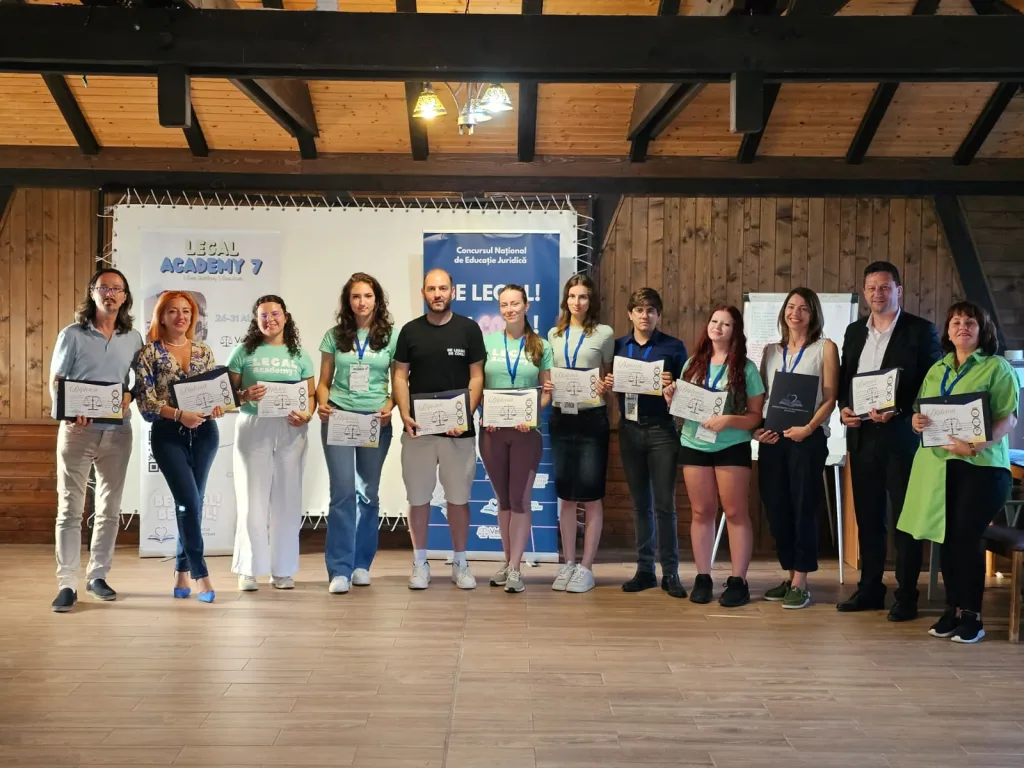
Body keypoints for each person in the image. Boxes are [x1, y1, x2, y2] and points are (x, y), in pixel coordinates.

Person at [900, 302, 1018, 644]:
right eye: (956, 322)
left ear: (983, 330)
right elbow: (921, 411)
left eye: (970, 322)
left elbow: (1008, 418)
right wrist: (916, 421)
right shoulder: (937, 369)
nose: (962, 326)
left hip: (982, 467)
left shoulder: (996, 367)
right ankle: (952, 609)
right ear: (948, 332)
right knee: (947, 540)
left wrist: (975, 446)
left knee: (965, 538)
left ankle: (972, 616)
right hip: (938, 467)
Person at [837, 262, 942, 621]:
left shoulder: (921, 330)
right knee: (869, 519)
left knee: (905, 520)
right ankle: (870, 588)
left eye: (884, 287)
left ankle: (907, 595)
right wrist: (844, 408)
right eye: (871, 288)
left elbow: (931, 383)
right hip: (862, 437)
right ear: (864, 292)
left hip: (902, 438)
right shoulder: (854, 332)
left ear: (898, 290)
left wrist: (898, 411)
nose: (877, 294)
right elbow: (846, 380)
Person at [49, 268, 143, 613]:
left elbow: (139, 381)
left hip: (118, 431)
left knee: (109, 508)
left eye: (117, 289)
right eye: (104, 287)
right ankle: (67, 583)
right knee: (69, 509)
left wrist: (130, 395)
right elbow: (57, 380)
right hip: (77, 430)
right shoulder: (72, 334)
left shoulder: (133, 337)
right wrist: (69, 411)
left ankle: (98, 576)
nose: (110, 294)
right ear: (92, 292)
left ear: (125, 296)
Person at [392, 268, 486, 590]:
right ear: (423, 293)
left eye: (443, 288)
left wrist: (464, 416)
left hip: (459, 433)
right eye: (431, 289)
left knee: (458, 499)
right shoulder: (410, 331)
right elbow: (400, 375)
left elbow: (477, 376)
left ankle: (460, 562)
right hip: (418, 430)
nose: (437, 294)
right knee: (418, 498)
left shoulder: (469, 329)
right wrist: (405, 413)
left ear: (452, 292)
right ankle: (420, 563)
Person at [665, 306, 764, 608]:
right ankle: (703, 577)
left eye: (726, 324)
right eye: (714, 321)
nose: (717, 327)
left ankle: (738, 581)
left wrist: (728, 420)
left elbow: (755, 417)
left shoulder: (746, 368)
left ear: (735, 331)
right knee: (701, 512)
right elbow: (683, 409)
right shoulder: (693, 363)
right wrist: (671, 398)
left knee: (734, 513)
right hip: (693, 443)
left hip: (731, 445)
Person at [134, 291, 226, 603]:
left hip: (205, 434)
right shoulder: (148, 353)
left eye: (186, 311)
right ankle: (201, 574)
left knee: (193, 503)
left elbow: (213, 393)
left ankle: (181, 572)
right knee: (187, 500)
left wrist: (217, 406)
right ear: (161, 316)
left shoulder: (203, 350)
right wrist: (178, 415)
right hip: (168, 434)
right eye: (173, 311)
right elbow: (146, 402)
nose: (180, 316)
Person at [755, 287, 839, 610]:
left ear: (813, 313)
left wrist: (809, 428)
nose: (796, 313)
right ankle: (790, 574)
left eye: (804, 308)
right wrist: (757, 430)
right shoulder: (770, 351)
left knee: (804, 506)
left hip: (807, 438)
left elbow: (830, 398)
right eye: (791, 306)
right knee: (776, 506)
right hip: (774, 438)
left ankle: (801, 581)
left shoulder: (825, 348)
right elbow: (762, 398)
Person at [602, 288, 688, 598]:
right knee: (641, 505)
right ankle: (645, 570)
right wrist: (609, 383)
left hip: (662, 430)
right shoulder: (618, 347)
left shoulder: (674, 347)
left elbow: (687, 391)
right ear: (630, 314)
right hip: (629, 430)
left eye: (651, 310)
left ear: (658, 315)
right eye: (639, 309)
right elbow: (610, 386)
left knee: (664, 505)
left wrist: (673, 386)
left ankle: (671, 572)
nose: (644, 315)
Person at [227, 295, 315, 593]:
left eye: (275, 314)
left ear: (285, 317)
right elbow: (227, 394)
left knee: (287, 500)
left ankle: (283, 570)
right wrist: (244, 396)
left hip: (291, 428)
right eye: (263, 315)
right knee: (251, 499)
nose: (270, 320)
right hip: (253, 425)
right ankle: (249, 569)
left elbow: (310, 395)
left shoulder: (299, 355)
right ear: (256, 320)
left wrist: (307, 414)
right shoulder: (243, 352)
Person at [316, 273, 397, 595]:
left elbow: (399, 380)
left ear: (377, 300)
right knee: (342, 493)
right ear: (347, 302)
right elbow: (324, 382)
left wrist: (390, 406)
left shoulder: (391, 337)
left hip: (375, 420)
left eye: (367, 296)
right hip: (339, 416)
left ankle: (361, 564)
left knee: (368, 494)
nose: (362, 302)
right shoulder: (334, 336)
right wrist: (322, 404)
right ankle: (339, 569)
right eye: (355, 297)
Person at [481, 285, 553, 594]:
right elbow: (477, 383)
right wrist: (484, 413)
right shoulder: (487, 342)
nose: (509, 309)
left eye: (515, 303)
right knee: (504, 499)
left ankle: (516, 568)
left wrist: (532, 414)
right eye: (504, 304)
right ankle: (507, 561)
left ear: (526, 306)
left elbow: (547, 390)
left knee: (521, 499)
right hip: (492, 432)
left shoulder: (541, 345)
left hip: (526, 432)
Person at [546, 274, 614, 593]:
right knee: (566, 496)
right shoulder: (553, 334)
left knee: (592, 495)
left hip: (591, 417)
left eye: (583, 296)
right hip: (561, 417)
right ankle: (569, 563)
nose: (577, 302)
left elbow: (609, 376)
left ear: (591, 300)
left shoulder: (604, 333)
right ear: (566, 300)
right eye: (572, 296)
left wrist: (606, 385)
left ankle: (587, 567)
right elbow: (549, 374)